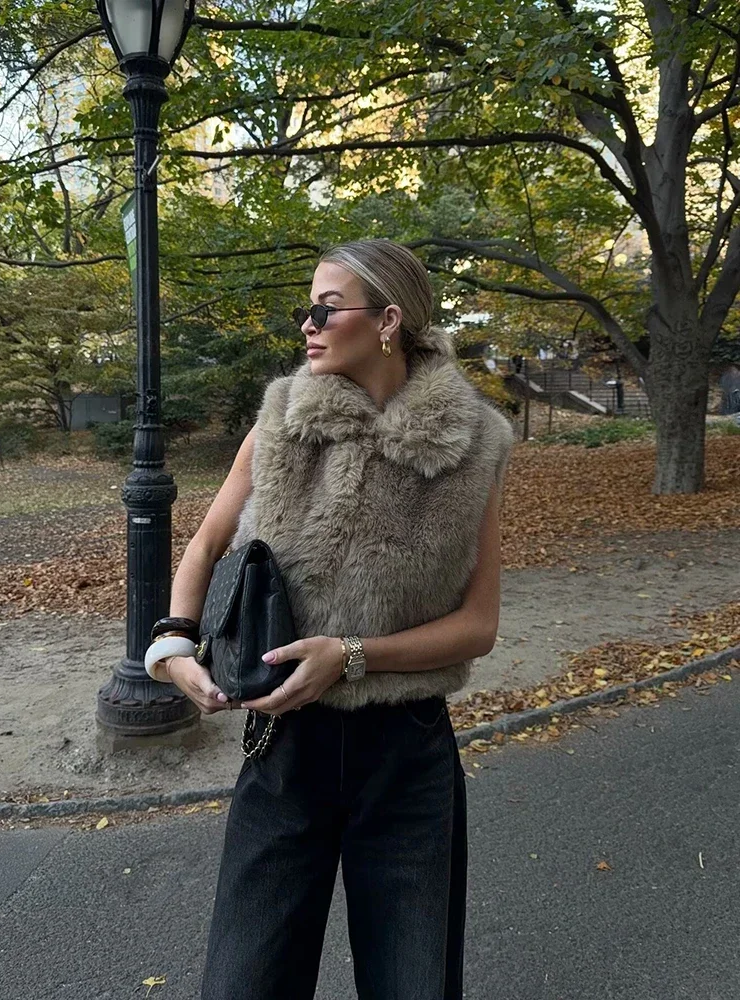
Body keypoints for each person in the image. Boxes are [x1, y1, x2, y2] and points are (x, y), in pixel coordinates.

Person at [152, 239, 513, 1000]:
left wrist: (351, 655)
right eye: (305, 309)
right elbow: (209, 541)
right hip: (284, 748)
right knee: (242, 983)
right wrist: (173, 643)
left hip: (408, 755)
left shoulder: (477, 446)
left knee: (412, 984)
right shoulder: (279, 423)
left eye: (326, 306)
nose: (308, 325)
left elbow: (478, 626)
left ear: (387, 320)